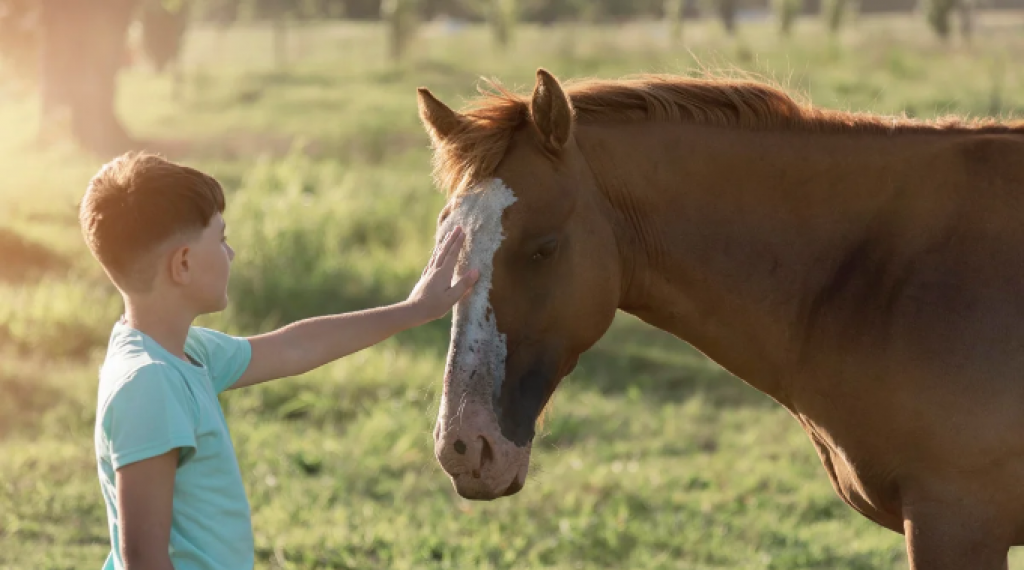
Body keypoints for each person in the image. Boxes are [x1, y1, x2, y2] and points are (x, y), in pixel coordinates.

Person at [79, 151, 477, 570]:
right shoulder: (149, 384)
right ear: (182, 264)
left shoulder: (182, 351)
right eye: (220, 239)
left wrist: (414, 310)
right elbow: (142, 558)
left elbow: (295, 347)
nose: (230, 254)